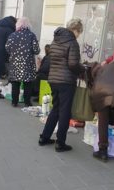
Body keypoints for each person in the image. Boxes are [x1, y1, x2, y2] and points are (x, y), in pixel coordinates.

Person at [39, 18, 84, 152]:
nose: (79, 35)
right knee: (65, 112)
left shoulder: (56, 40)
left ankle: (45, 137)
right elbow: (73, 64)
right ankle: (60, 143)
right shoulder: (72, 43)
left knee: (56, 109)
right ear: (75, 30)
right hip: (66, 82)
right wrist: (82, 69)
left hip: (53, 79)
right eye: (79, 32)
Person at [5, 17, 40, 107]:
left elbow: (7, 48)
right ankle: (27, 102)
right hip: (28, 63)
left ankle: (14, 102)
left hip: (15, 63)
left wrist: (14, 54)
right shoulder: (32, 35)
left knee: (15, 83)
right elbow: (36, 50)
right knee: (27, 83)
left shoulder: (13, 35)